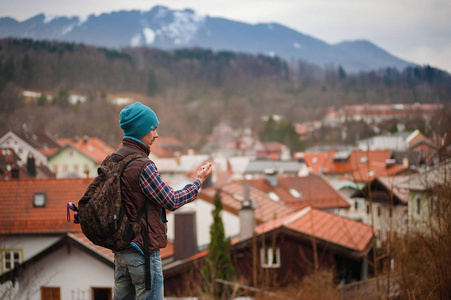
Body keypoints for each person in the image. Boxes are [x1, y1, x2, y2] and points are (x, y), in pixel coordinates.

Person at [112, 102, 212, 300]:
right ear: (141, 130)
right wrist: (198, 182)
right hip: (143, 252)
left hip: (121, 252)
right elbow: (172, 200)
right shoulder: (142, 165)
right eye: (153, 129)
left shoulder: (114, 159)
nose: (156, 135)